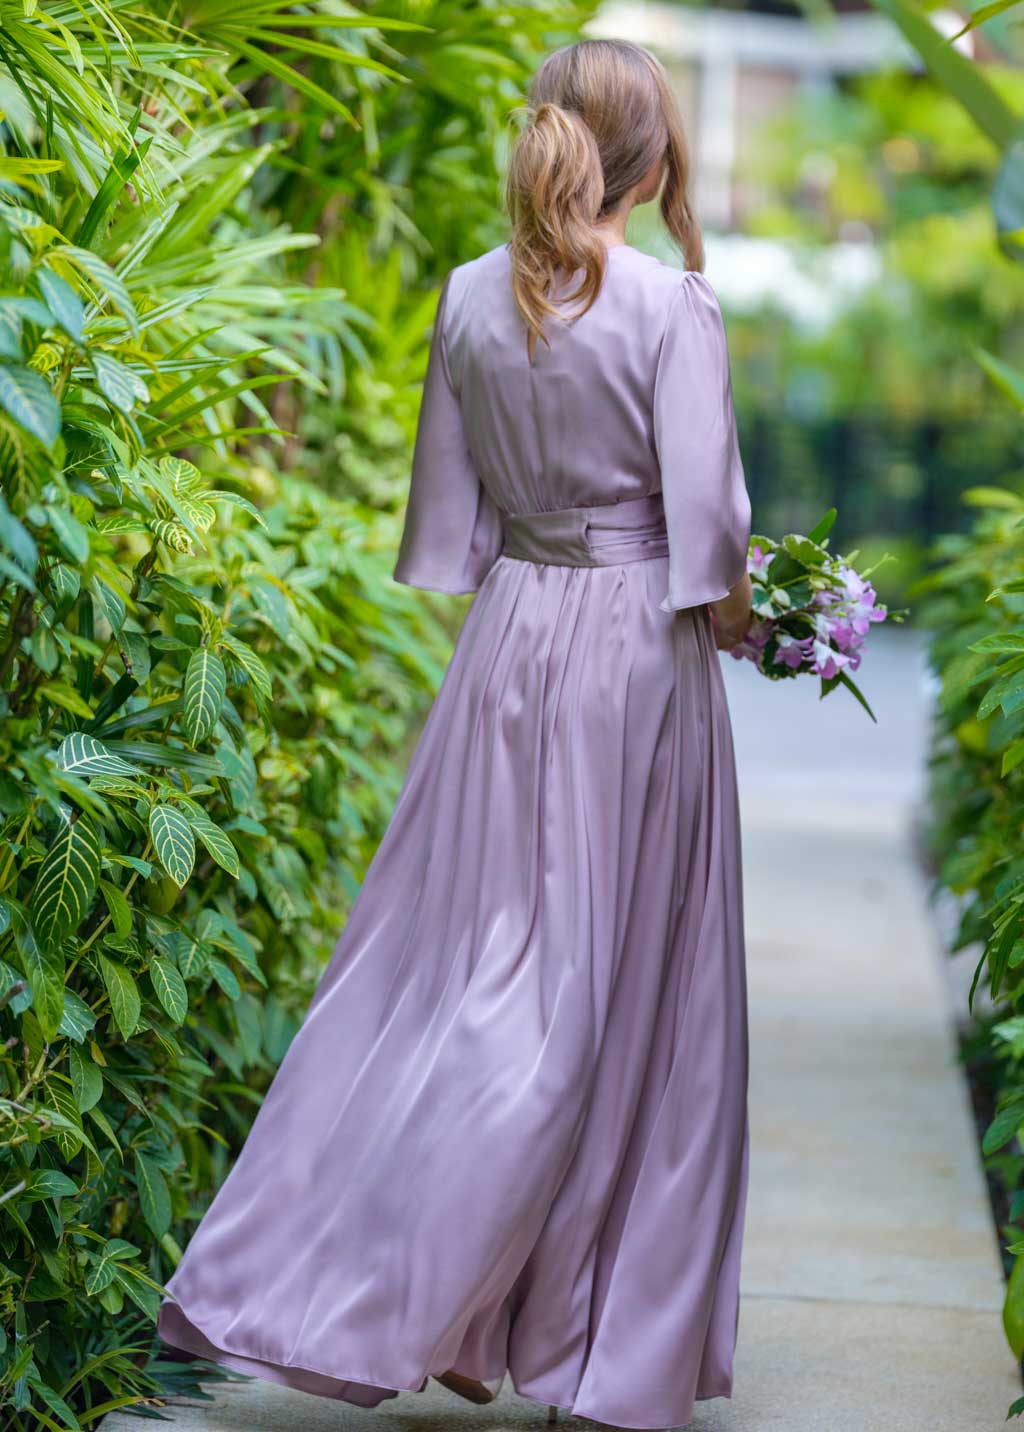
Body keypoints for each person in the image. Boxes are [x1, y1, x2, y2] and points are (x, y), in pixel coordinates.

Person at [157, 35, 753, 1432]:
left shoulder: (472, 297)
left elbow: (450, 523)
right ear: (653, 156)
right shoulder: (674, 307)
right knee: (606, 1004)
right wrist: (754, 623)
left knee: (451, 971)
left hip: (508, 652)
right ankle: (588, 1337)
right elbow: (709, 539)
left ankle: (335, 1265)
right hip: (632, 660)